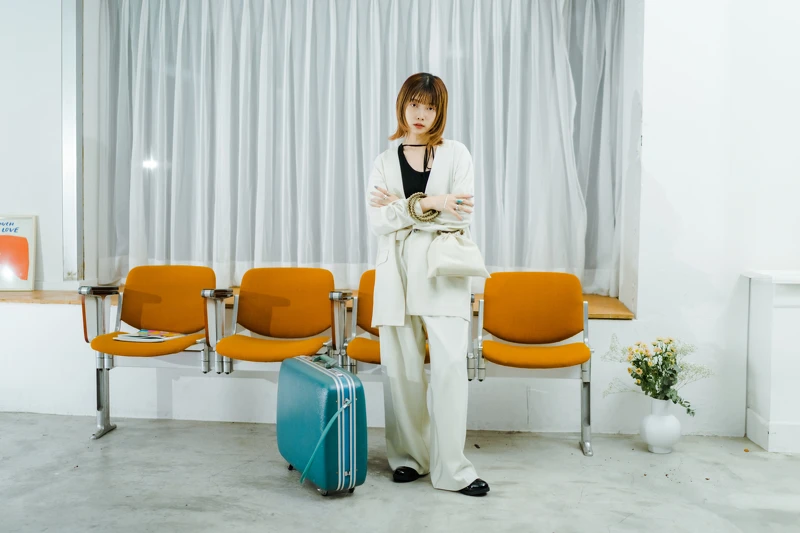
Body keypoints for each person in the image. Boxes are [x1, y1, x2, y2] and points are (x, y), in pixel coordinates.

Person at [366, 72, 489, 497]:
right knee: (401, 372)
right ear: (402, 105)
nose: (421, 114)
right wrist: (435, 202)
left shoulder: (456, 154)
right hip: (396, 275)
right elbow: (378, 221)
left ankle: (453, 470)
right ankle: (409, 459)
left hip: (442, 274)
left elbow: (462, 215)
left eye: (430, 107)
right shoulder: (384, 161)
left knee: (451, 369)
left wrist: (404, 208)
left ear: (440, 112)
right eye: (414, 104)